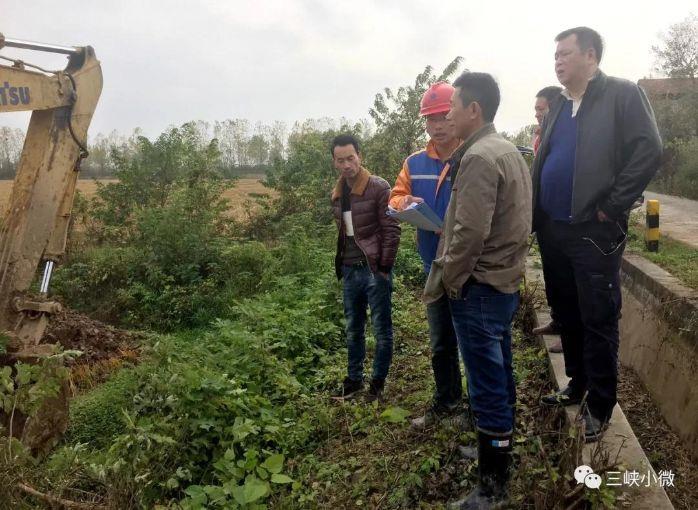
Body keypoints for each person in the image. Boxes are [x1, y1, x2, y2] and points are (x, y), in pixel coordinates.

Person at [534, 27, 662, 442]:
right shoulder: (558, 105)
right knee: (567, 312)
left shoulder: (621, 94)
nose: (558, 61)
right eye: (555, 54)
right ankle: (577, 382)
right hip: (554, 228)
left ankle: (601, 404)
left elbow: (649, 149)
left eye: (565, 53)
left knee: (598, 317)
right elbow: (548, 158)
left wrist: (613, 204)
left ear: (590, 56)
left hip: (594, 230)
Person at [424, 72, 532, 508]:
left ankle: (492, 487)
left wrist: (452, 280)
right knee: (499, 370)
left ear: (474, 110)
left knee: (486, 383)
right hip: (502, 282)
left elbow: (469, 233)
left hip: (480, 287)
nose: (447, 115)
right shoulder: (506, 150)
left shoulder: (479, 158)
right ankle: (499, 450)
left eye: (452, 107)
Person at [389, 82, 465, 428]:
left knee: (473, 342)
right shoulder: (414, 163)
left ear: (458, 114)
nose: (438, 125)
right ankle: (448, 401)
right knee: (440, 340)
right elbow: (395, 198)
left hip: (468, 264)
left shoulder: (472, 157)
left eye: (444, 116)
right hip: (432, 263)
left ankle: (480, 412)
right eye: (431, 119)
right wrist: (404, 202)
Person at [330, 134, 401, 402]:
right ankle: (354, 381)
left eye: (351, 158)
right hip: (350, 270)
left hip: (373, 269)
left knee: (381, 330)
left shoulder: (378, 187)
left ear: (359, 156)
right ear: (334, 162)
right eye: (341, 160)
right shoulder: (338, 193)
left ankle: (377, 385)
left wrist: (383, 267)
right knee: (353, 329)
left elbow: (391, 230)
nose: (347, 165)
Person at [531, 85, 565, 353]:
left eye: (540, 109)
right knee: (552, 273)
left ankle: (569, 332)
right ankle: (557, 320)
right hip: (545, 218)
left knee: (566, 278)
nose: (537, 114)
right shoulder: (542, 135)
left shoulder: (565, 134)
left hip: (561, 218)